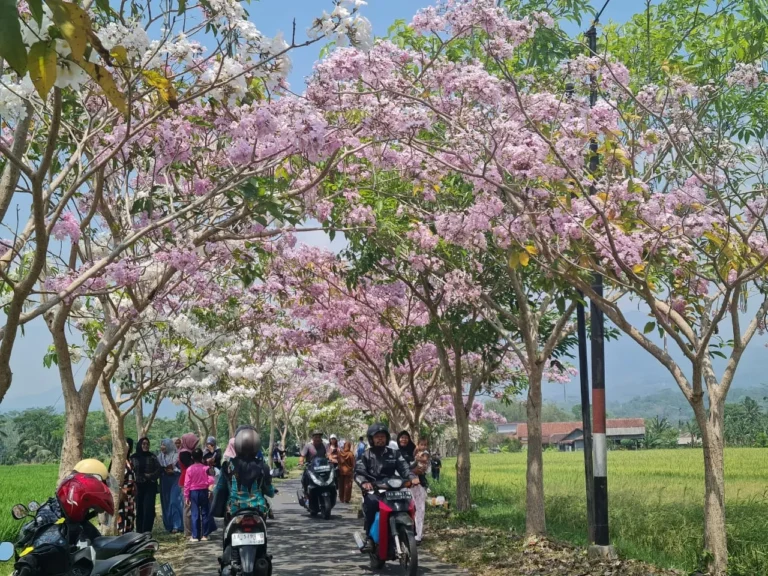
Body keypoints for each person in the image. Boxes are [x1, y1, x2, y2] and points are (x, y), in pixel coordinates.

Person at [355, 423, 415, 552]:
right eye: (377, 437)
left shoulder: (395, 454)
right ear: (371, 439)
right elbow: (359, 471)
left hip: (393, 488)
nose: (380, 439)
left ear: (387, 438)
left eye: (382, 436)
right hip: (375, 489)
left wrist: (412, 477)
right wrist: (365, 482)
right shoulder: (365, 455)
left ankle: (409, 532)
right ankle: (370, 539)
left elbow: (404, 468)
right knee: (371, 504)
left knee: (409, 502)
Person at [211, 426, 275, 519]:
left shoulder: (227, 466)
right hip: (259, 509)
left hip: (234, 509)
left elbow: (220, 488)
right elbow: (269, 490)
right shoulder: (263, 467)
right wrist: (272, 492)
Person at [184, 448, 216, 542]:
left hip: (193, 493)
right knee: (205, 513)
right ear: (202, 457)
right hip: (204, 491)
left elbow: (187, 484)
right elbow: (211, 480)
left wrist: (186, 496)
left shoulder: (189, 469)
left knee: (195, 514)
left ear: (192, 457)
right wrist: (210, 491)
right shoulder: (206, 468)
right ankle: (205, 535)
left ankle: (195, 536)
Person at [157, 438, 183, 534]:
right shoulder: (159, 457)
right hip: (164, 481)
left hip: (175, 480)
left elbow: (182, 470)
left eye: (164, 445)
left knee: (174, 501)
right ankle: (169, 525)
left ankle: (177, 525)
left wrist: (174, 471)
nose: (162, 447)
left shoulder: (177, 456)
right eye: (161, 444)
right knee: (166, 503)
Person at [178, 433, 199, 537]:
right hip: (187, 481)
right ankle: (188, 532)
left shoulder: (187, 452)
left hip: (191, 481)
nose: (195, 445)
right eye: (194, 443)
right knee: (188, 506)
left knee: (191, 506)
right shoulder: (184, 453)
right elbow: (191, 465)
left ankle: (193, 529)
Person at [412, 437, 431, 544]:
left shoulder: (425, 455)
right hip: (411, 485)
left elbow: (426, 467)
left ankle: (418, 535)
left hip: (421, 486)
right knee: (413, 509)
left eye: (425, 445)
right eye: (421, 444)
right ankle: (413, 533)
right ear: (417, 445)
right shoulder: (414, 454)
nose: (423, 447)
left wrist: (422, 461)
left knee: (421, 510)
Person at [117, 438, 136, 534]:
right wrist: (120, 491)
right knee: (122, 516)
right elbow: (112, 479)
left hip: (131, 496)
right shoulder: (118, 462)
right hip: (122, 495)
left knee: (130, 516)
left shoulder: (129, 461)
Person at [299, 430, 327, 498]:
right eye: (316, 437)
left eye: (319, 437)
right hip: (310, 468)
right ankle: (306, 494)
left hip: (322, 468)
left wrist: (331, 459)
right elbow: (302, 456)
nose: (318, 439)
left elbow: (328, 454)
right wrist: (301, 462)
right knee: (304, 478)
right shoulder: (308, 446)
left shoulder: (324, 446)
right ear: (313, 438)